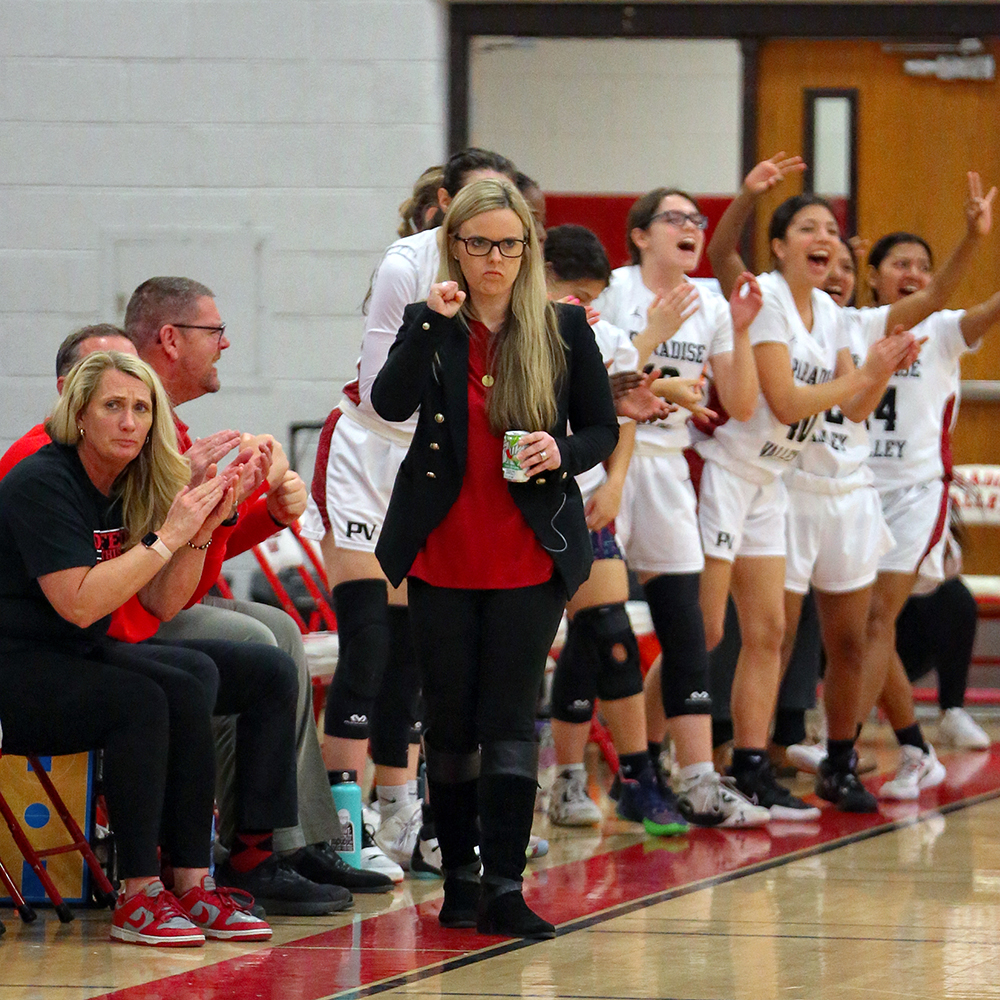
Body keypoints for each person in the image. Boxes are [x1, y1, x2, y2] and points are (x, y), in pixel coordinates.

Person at [372, 178, 618, 938]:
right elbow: (387, 403)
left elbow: (601, 431)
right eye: (478, 243)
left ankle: (507, 884)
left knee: (510, 719)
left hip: (527, 550)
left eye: (509, 245)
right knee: (449, 724)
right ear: (454, 248)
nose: (495, 259)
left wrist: (562, 448)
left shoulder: (564, 327)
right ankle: (461, 881)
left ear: (528, 249)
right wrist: (423, 328)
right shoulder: (433, 322)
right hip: (443, 548)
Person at [122, 278, 391, 898]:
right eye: (213, 331)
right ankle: (256, 851)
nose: (225, 344)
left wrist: (258, 512)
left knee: (275, 628)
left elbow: (189, 557)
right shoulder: (141, 436)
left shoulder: (173, 430)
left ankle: (294, 841)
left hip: (155, 597)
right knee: (260, 640)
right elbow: (162, 572)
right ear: (169, 339)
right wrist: (232, 509)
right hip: (124, 611)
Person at [0, 350, 273, 945]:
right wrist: (166, 534)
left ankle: (192, 882)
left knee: (190, 676)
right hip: (14, 669)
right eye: (113, 407)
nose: (129, 421)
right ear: (79, 416)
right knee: (140, 700)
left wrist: (209, 525)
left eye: (141, 409)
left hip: (68, 655)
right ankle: (140, 893)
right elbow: (78, 602)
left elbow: (160, 604)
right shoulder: (42, 482)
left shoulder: (124, 484)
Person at [301, 149, 521, 877]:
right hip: (370, 449)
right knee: (367, 643)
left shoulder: (513, 272)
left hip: (429, 460)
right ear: (444, 203)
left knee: (419, 648)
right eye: (478, 208)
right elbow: (376, 389)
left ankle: (402, 815)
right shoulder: (408, 266)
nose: (493, 228)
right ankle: (340, 827)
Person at [701, 154, 924, 816]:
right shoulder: (764, 296)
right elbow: (791, 402)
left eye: (831, 226)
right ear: (778, 246)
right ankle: (674, 757)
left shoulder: (829, 317)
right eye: (807, 226)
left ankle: (755, 764)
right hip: (736, 472)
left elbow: (854, 409)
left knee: (772, 636)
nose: (824, 235)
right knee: (713, 632)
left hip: (775, 482)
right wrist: (746, 195)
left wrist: (881, 367)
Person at [593, 189, 771, 830]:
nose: (692, 227)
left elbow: (744, 404)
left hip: (666, 467)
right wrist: (651, 338)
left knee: (691, 627)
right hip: (603, 459)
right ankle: (573, 776)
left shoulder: (716, 306)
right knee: (598, 623)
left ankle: (696, 779)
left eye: (698, 219)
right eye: (676, 217)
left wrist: (745, 330)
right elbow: (589, 381)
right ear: (639, 235)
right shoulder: (610, 291)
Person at [851, 213, 1000, 798]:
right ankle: (914, 747)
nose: (912, 274)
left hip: (917, 492)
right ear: (875, 277)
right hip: (856, 490)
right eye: (899, 264)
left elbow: (986, 312)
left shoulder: (940, 329)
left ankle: (843, 744)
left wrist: (972, 238)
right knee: (866, 628)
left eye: (921, 266)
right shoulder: (853, 326)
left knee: (873, 620)